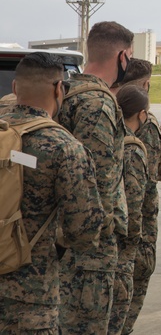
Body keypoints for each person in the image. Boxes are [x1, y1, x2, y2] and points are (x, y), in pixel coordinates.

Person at [0, 53, 104, 334]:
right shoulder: (64, 147)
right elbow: (84, 230)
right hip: (30, 295)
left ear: (14, 88)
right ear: (59, 89)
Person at [57, 20, 132, 334]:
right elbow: (94, 180)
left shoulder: (64, 92)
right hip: (89, 247)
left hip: (59, 235)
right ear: (123, 57)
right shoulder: (98, 103)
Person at [119, 60, 161, 334]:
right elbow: (147, 182)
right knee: (137, 278)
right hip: (137, 225)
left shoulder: (107, 113)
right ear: (146, 84)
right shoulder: (146, 124)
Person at [109, 85, 150, 335]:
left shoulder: (108, 140)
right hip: (122, 245)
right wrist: (135, 243)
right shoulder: (132, 149)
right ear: (142, 115)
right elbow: (133, 205)